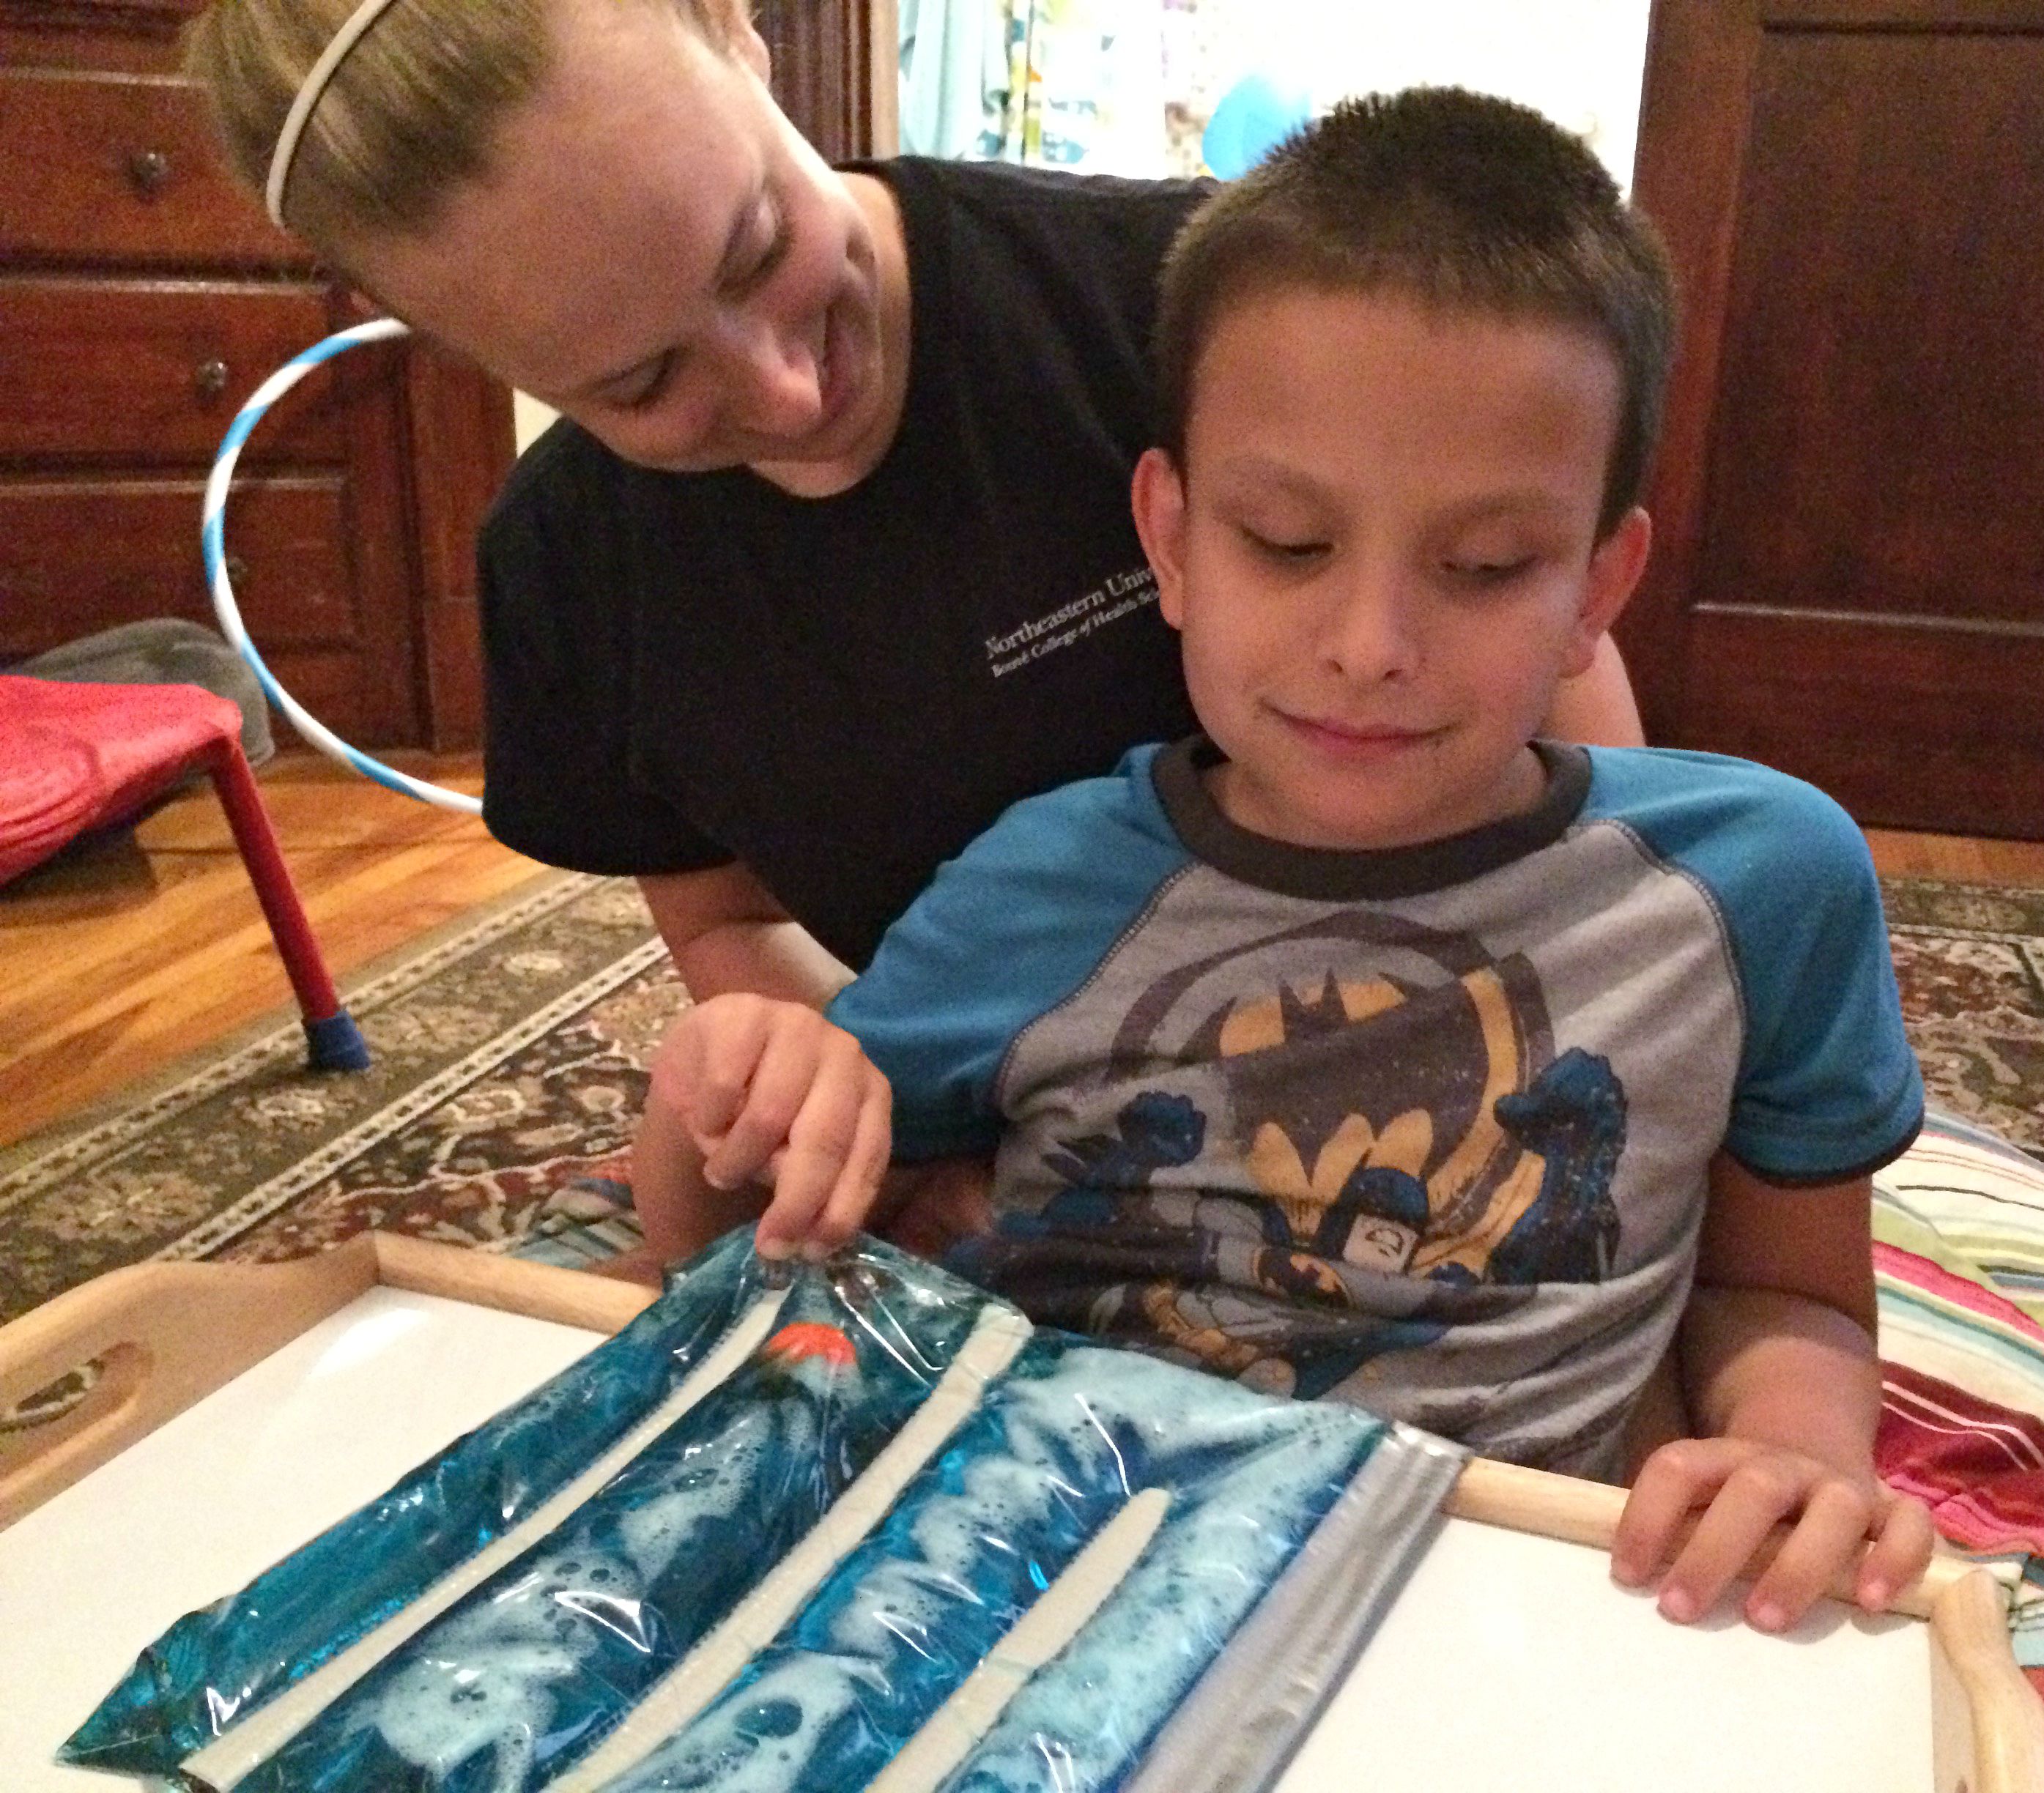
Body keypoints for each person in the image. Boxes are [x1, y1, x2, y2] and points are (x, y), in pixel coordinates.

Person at [647, 86, 1938, 1634]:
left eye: (1483, 568)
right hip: (1045, 1593)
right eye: (1287, 542)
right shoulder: (1035, 886)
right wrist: (719, 1091)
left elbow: (1789, 1292)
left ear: (1600, 584)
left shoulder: (1764, 883)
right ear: (1173, 541)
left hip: (1509, 1617)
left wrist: (1791, 1458)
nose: (1372, 647)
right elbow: (741, 1264)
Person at [182, 0, 1648, 1263]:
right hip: (1018, 1139)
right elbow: (738, 931)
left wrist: (1621, 1012)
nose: (786, 395)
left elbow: (1545, 693)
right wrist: (880, 1120)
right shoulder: (570, 575)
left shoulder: (1195, 307)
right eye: (638, 385)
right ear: (451, 346)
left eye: (758, 251)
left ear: (737, 26)